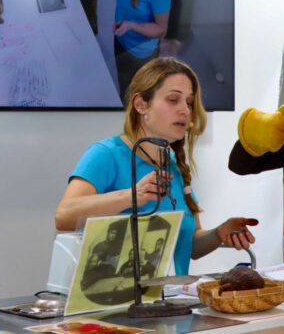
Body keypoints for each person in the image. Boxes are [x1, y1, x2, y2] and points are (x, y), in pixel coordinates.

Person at [55, 58, 258, 276]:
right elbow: (64, 216)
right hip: (117, 296)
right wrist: (132, 196)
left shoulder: (174, 165)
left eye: (189, 103)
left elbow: (189, 246)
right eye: (173, 100)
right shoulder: (105, 154)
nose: (185, 110)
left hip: (173, 296)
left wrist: (219, 233)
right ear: (141, 104)